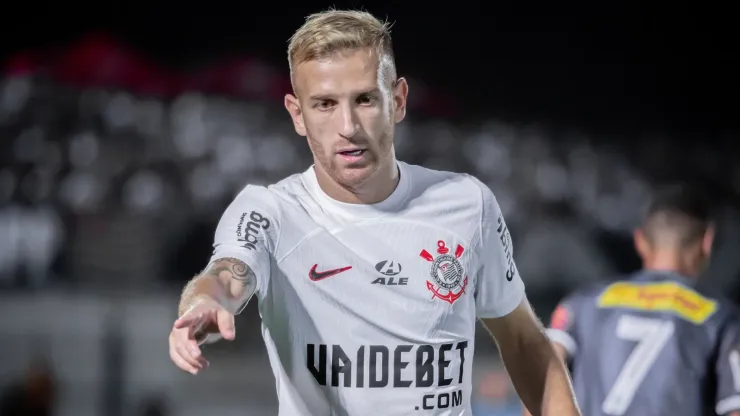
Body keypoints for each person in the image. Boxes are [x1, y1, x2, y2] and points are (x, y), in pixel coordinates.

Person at [168, 9, 580, 416]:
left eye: (364, 99)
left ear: (398, 100)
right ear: (297, 114)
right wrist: (204, 302)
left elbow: (525, 341)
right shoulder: (272, 211)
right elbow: (226, 274)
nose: (348, 126)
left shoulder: (467, 204)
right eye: (325, 104)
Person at [540, 185, 740, 416]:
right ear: (707, 241)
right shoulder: (722, 319)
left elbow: (538, 383)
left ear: (640, 241)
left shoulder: (582, 304)